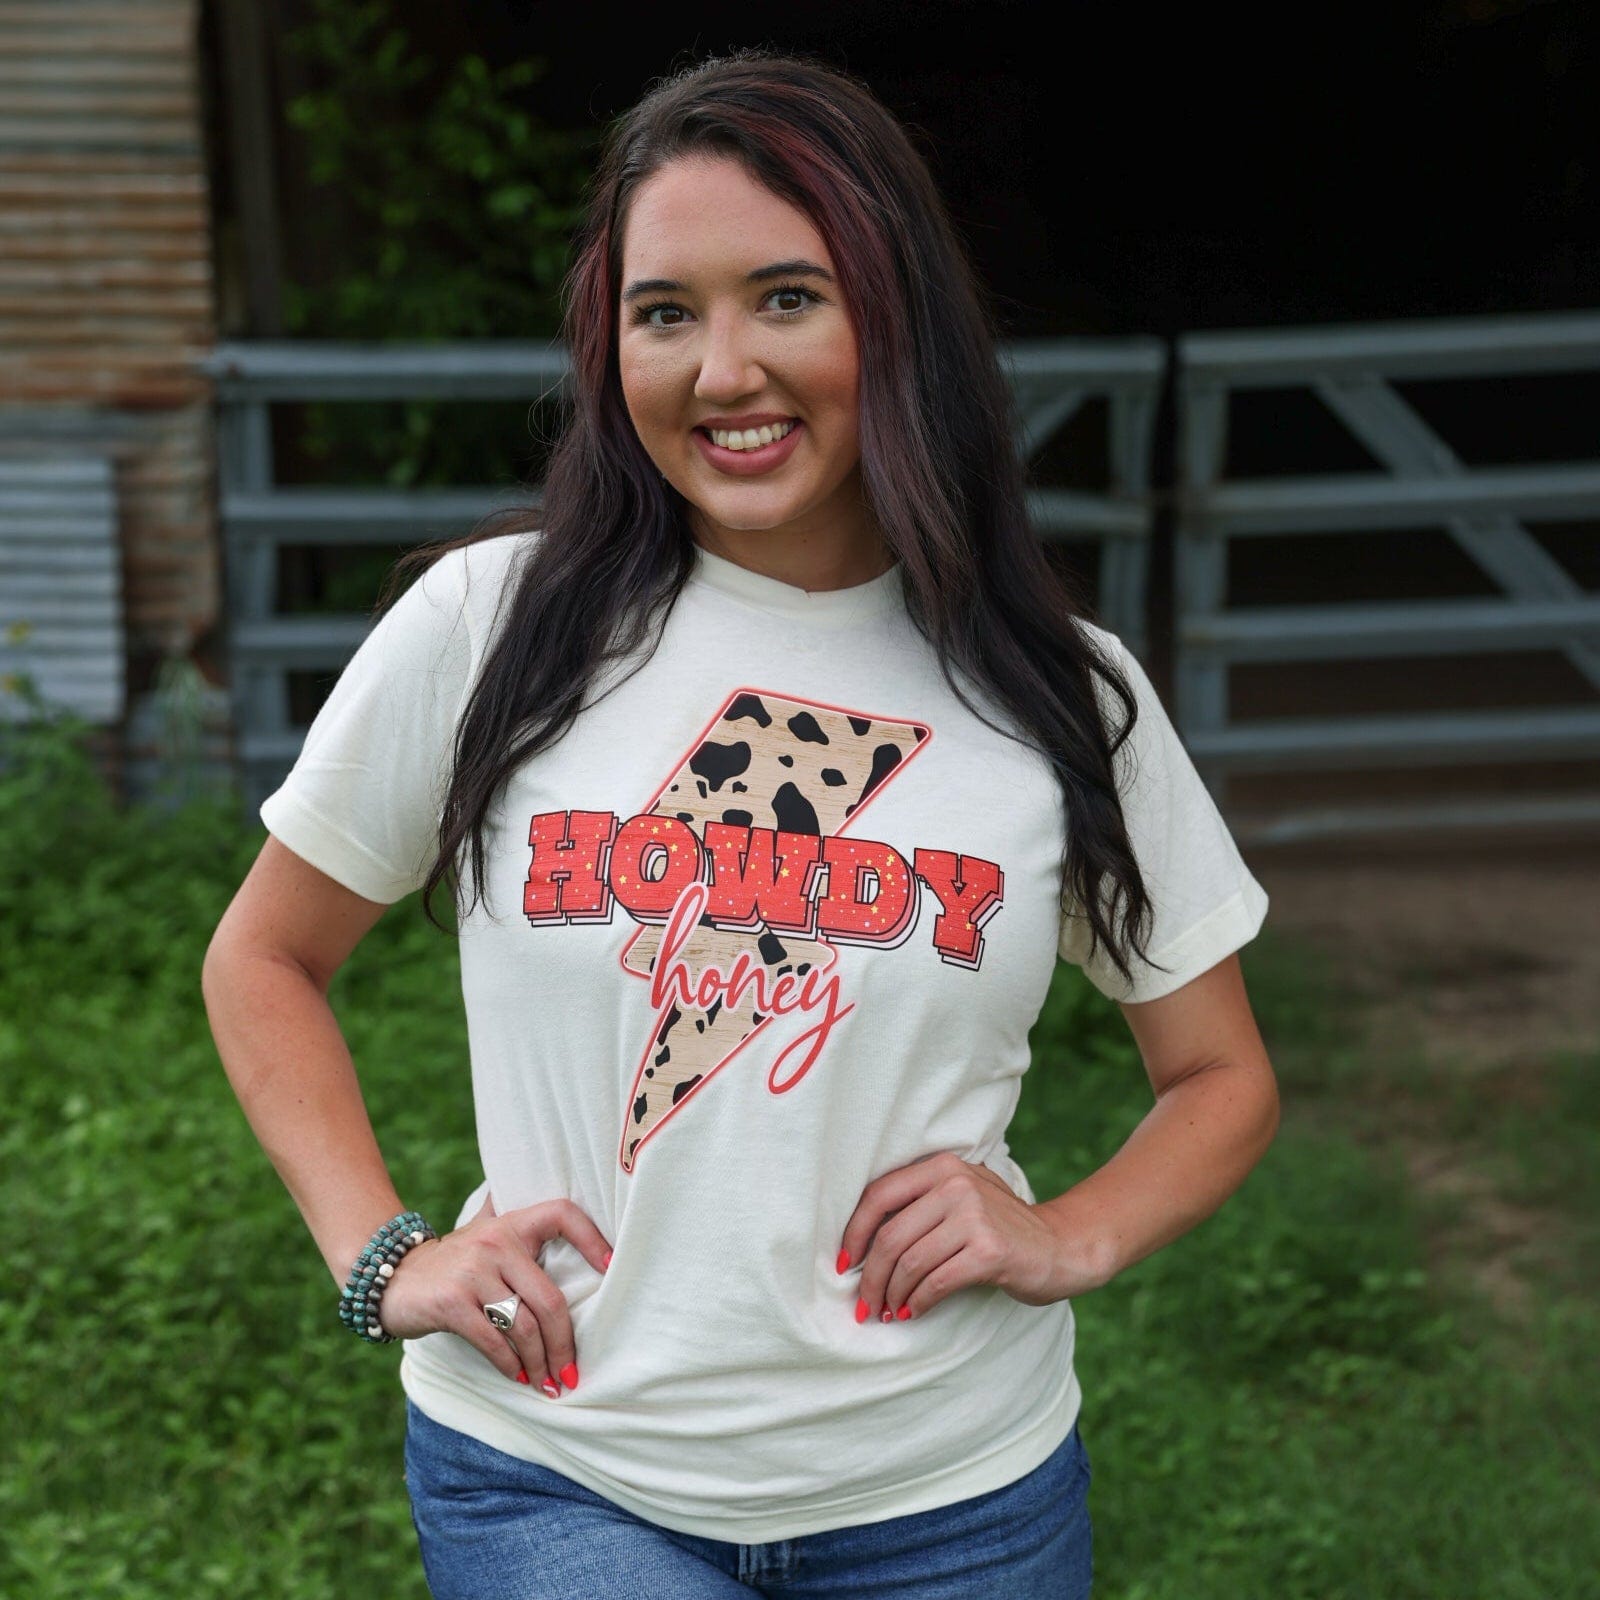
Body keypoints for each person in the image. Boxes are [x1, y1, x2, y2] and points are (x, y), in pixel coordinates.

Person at [202, 48, 1279, 1600]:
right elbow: (264, 960)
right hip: (561, 1471)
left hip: (955, 1495)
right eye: (665, 314)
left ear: (896, 318)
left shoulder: (1061, 695)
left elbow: (1221, 1076)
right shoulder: (493, 628)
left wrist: (1074, 1234)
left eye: (786, 298)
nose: (722, 372)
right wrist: (381, 1253)